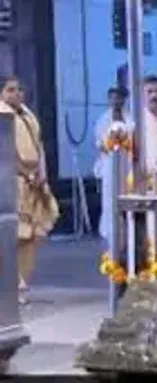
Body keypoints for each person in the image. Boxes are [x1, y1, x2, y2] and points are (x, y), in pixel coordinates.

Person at [0, 75, 59, 304]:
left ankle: (21, 284)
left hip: (35, 182)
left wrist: (41, 174)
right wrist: (26, 173)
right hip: (12, 181)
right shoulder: (2, 117)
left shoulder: (27, 114)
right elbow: (4, 152)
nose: (17, 94)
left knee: (31, 236)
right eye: (11, 90)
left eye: (19, 89)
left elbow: (39, 145)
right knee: (12, 234)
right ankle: (9, 287)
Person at [93, 86, 132, 248]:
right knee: (109, 196)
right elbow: (98, 143)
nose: (116, 101)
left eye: (119, 98)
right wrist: (111, 144)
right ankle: (108, 229)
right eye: (113, 98)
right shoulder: (103, 120)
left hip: (127, 162)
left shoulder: (130, 118)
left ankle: (128, 230)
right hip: (110, 162)